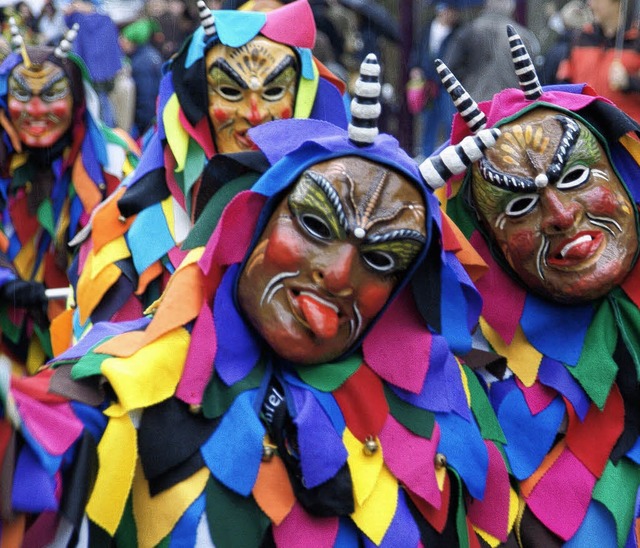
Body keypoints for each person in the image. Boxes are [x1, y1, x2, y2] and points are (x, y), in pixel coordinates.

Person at [0, 53, 513, 547]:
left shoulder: (444, 419)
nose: (336, 275)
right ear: (250, 227)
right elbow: (43, 442)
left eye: (380, 259)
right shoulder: (131, 376)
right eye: (314, 226)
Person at [428, 26, 640, 546]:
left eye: (574, 177)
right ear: (492, 247)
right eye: (520, 206)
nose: (562, 216)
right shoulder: (476, 374)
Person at [62, 0, 349, 349]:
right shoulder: (138, 221)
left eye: (273, 92)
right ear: (197, 97)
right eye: (230, 91)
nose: (255, 114)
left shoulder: (334, 210)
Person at [0, 23, 139, 375]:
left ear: (76, 98)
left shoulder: (111, 159)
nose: (33, 110)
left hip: (85, 340)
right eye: (21, 94)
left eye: (50, 95)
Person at [557, 0, 640, 123]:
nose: (590, 4)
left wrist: (629, 82)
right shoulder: (580, 37)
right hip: (588, 132)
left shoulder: (636, 40)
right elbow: (563, 86)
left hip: (628, 135)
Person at [442, 0, 541, 102]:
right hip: (512, 105)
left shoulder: (469, 30)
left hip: (476, 104)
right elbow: (533, 73)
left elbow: (450, 69)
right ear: (511, 7)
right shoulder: (524, 36)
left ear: (487, 4)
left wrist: (469, 85)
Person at [408, 2, 461, 158]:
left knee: (449, 121)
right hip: (427, 83)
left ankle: (447, 156)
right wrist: (415, 67)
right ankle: (426, 155)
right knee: (428, 121)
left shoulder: (458, 32)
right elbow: (418, 50)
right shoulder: (427, 29)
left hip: (446, 85)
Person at [118, 17, 163, 139]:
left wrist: (142, 128)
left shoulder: (141, 64)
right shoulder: (151, 54)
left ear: (133, 41)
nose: (121, 43)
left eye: (124, 39)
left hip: (146, 124)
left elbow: (145, 98)